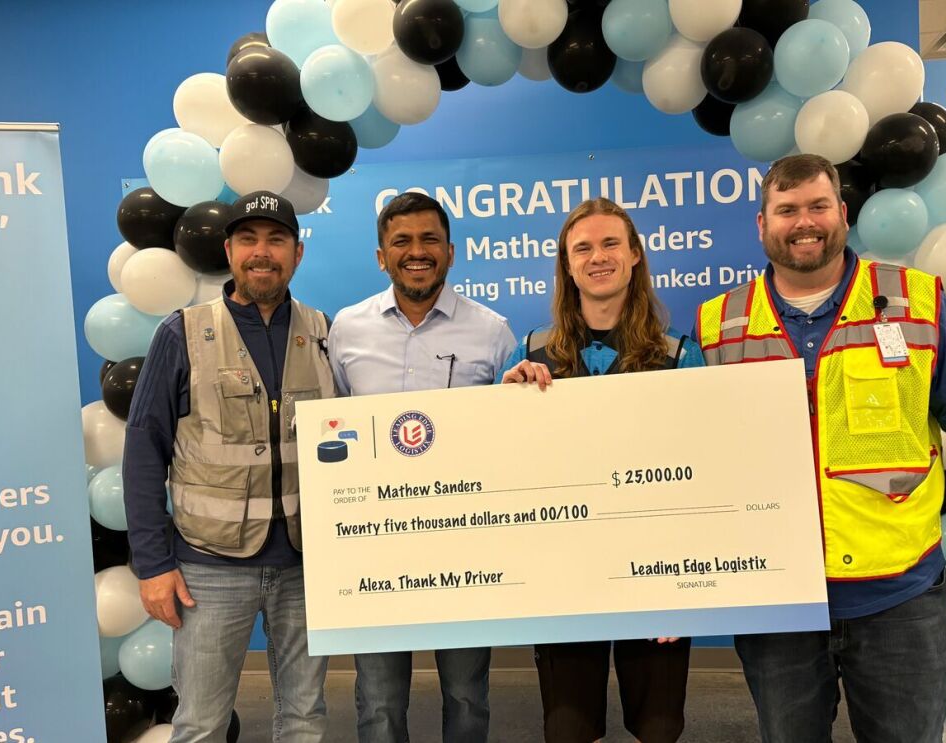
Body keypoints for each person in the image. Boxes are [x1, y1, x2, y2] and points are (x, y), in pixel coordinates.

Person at [694, 155, 946, 743]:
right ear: (761, 224)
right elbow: (697, 450)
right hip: (779, 598)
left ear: (842, 214)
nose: (804, 222)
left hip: (898, 594)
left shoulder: (916, 301)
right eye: (786, 210)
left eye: (818, 206)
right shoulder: (720, 324)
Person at [123, 191, 335, 742]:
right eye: (249, 239)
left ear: (297, 252)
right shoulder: (182, 332)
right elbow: (143, 449)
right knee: (200, 724)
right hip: (209, 569)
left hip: (306, 566)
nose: (262, 253)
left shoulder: (323, 332)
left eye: (276, 240)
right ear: (228, 249)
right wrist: (151, 564)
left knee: (305, 718)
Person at [500, 197, 704, 743]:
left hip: (656, 574)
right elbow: (511, 473)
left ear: (635, 255)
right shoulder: (530, 355)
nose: (598, 257)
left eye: (611, 243)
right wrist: (505, 407)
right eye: (582, 248)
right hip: (565, 576)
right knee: (567, 730)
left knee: (659, 729)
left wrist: (685, 588)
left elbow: (703, 475)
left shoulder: (679, 356)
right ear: (567, 265)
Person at [326, 192, 515, 743]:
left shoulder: (492, 331)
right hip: (373, 546)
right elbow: (334, 431)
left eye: (430, 239)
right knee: (380, 704)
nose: (417, 251)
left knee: (466, 696)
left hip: (463, 546)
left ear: (451, 252)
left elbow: (509, 439)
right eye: (401, 241)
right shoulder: (347, 330)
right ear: (381, 256)